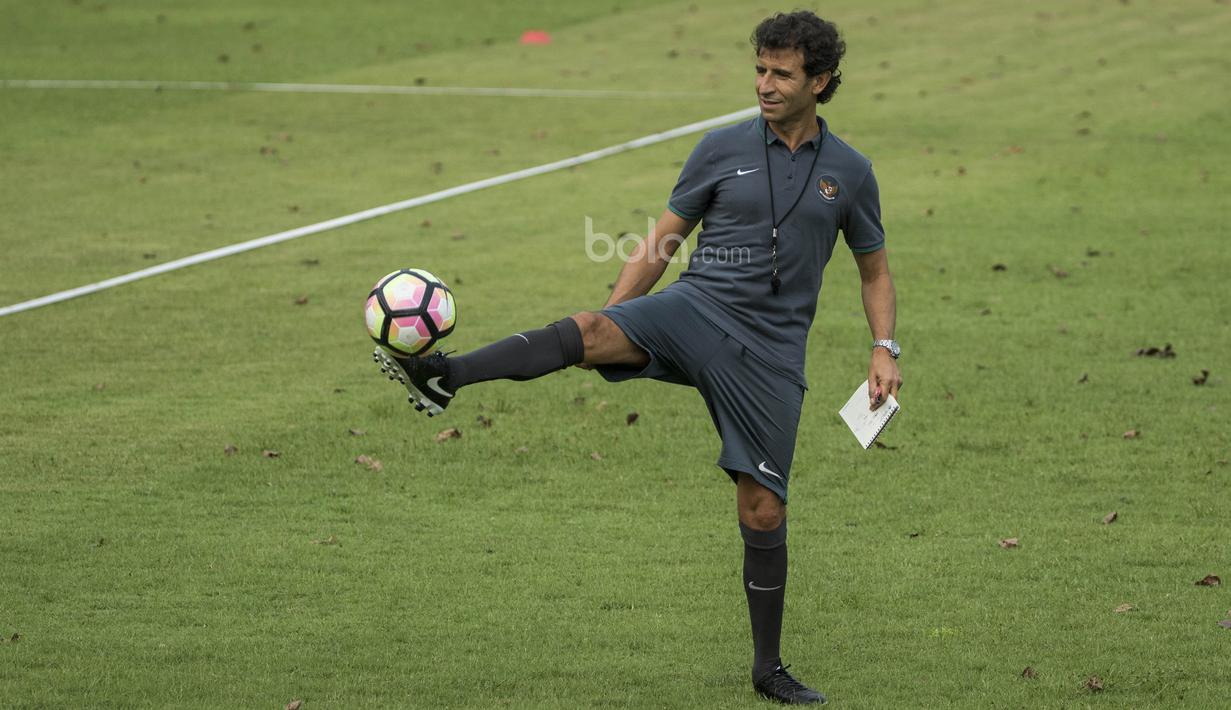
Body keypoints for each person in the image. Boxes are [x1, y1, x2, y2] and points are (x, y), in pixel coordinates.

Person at [373, 10, 901, 705]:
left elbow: (873, 272)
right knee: (591, 329)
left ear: (820, 81)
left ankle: (766, 668)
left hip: (771, 355)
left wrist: (882, 348)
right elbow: (661, 243)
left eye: (780, 73)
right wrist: (621, 311)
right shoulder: (719, 147)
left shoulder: (850, 174)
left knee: (763, 508)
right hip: (697, 309)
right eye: (759, 70)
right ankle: (445, 374)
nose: (764, 85)